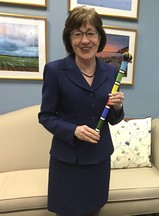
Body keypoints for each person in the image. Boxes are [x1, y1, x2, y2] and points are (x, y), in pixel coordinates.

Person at [38, 6, 124, 216]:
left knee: (95, 210)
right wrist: (74, 130)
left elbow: (113, 119)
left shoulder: (112, 72)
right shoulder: (55, 70)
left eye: (90, 33)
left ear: (99, 37)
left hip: (99, 159)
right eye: (78, 34)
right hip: (68, 161)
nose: (85, 40)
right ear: (70, 39)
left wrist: (118, 107)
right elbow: (46, 116)